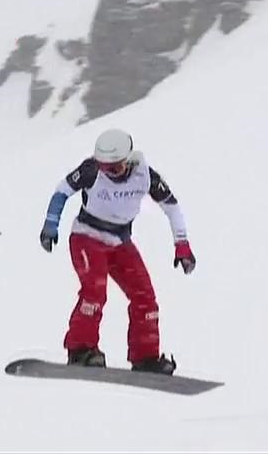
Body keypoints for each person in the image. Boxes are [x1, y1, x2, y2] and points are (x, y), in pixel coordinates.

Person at [38, 128, 197, 373]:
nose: (107, 172)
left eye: (113, 168)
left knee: (145, 297)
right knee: (94, 292)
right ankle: (81, 349)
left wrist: (182, 246)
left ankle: (145, 357)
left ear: (128, 160)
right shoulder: (92, 170)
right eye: (103, 166)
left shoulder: (145, 176)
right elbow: (62, 191)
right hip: (86, 237)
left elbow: (172, 207)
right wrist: (50, 225)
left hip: (120, 242)